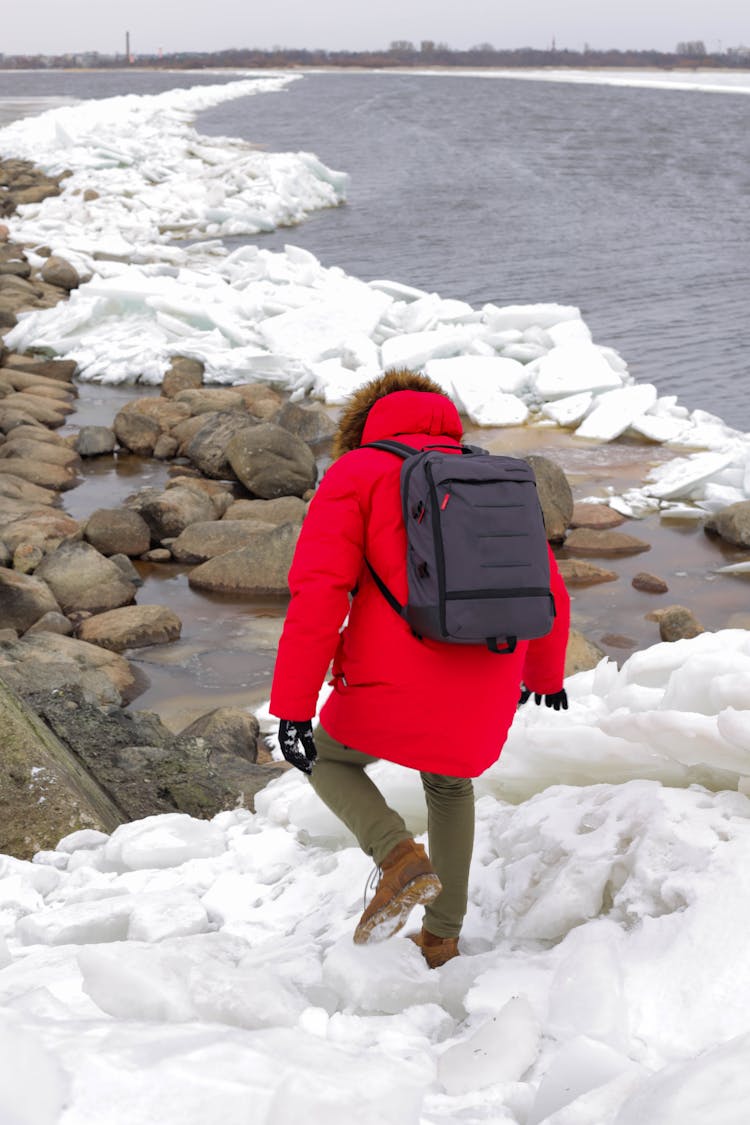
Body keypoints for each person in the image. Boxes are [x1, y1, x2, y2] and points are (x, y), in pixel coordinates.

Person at [269, 369, 570, 968]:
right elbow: (548, 587)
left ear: (364, 423)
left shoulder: (356, 472)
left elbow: (320, 594)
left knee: (327, 756)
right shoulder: (495, 475)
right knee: (451, 784)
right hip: (491, 669)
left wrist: (294, 705)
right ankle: (441, 939)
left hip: (392, 673)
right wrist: (544, 677)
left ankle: (397, 857)